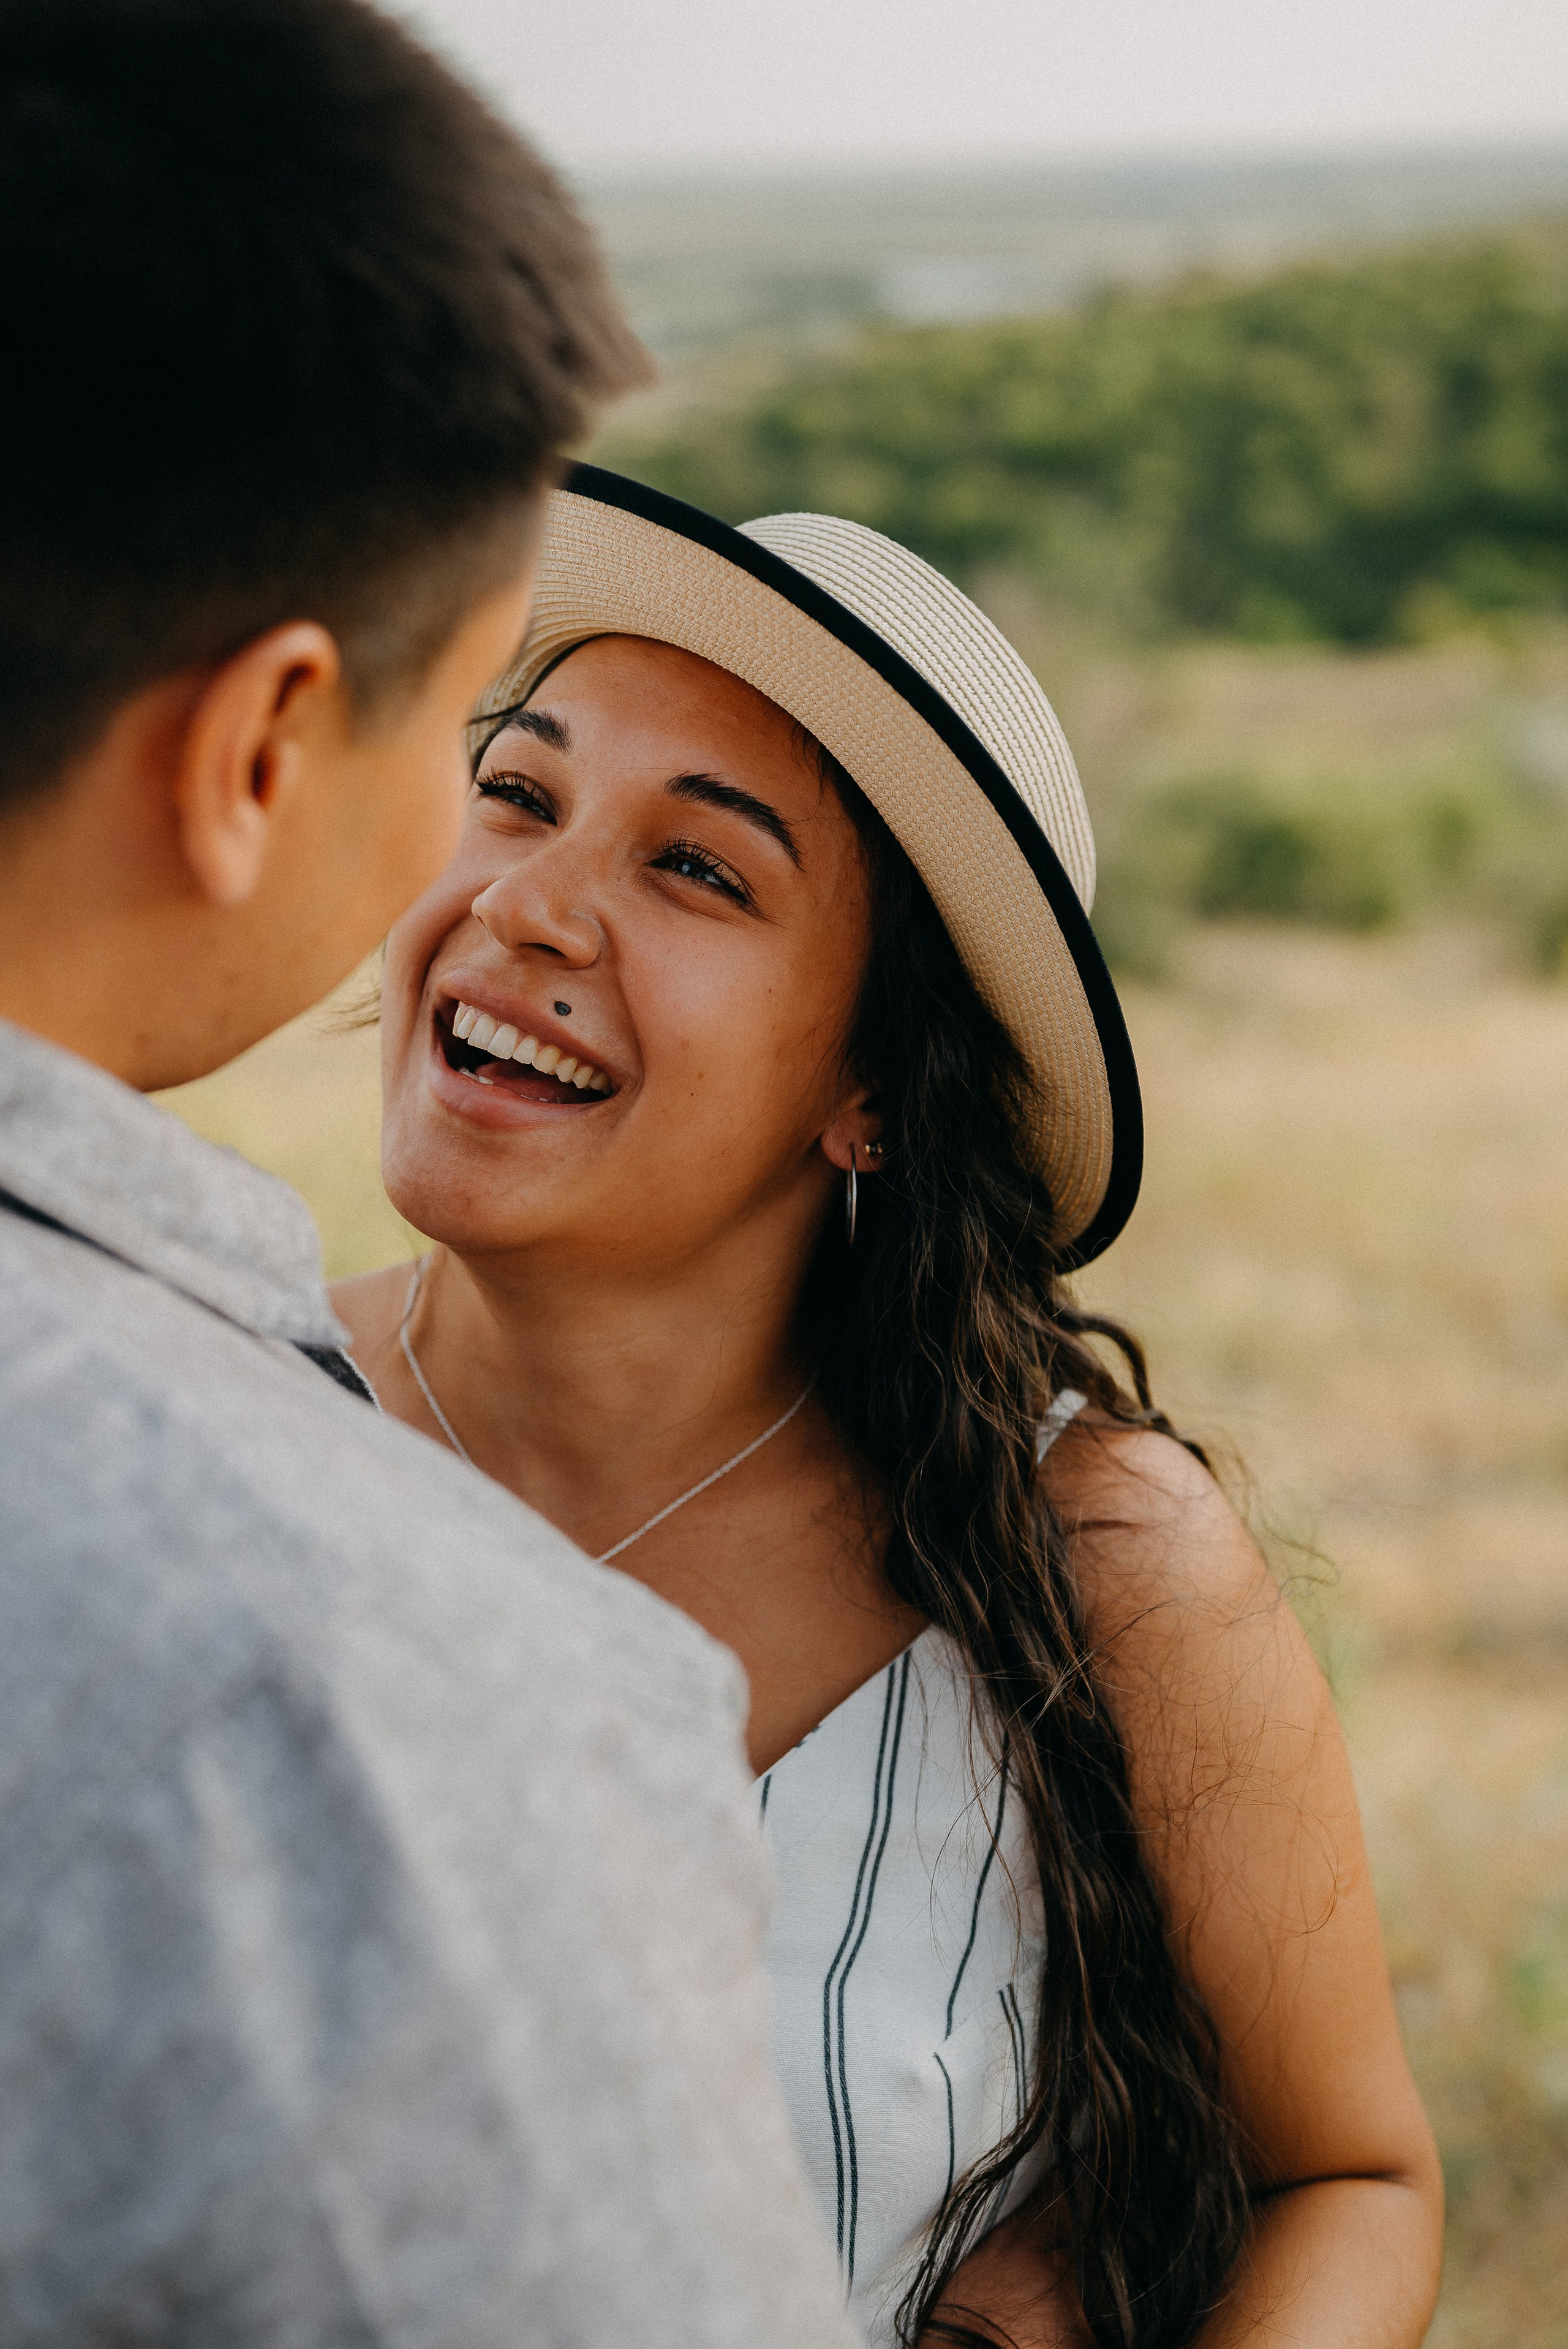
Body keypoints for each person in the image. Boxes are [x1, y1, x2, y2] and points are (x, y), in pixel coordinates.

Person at [337, 466, 1447, 2349]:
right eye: (518, 791)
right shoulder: (182, 1422)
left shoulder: (1095, 1560)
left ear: (872, 1087)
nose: (523, 904)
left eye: (698, 868)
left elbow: (1347, 2183)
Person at [0, 13, 861, 2346]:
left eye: (695, 864)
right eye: (477, 744)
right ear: (264, 744)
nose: (515, 897)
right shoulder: (372, 1705)